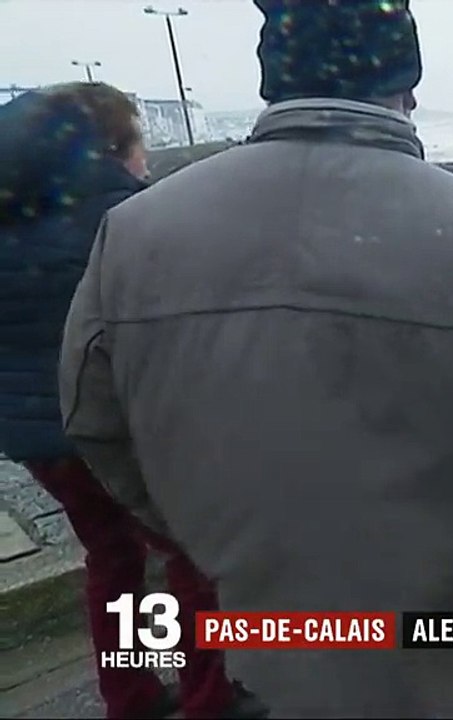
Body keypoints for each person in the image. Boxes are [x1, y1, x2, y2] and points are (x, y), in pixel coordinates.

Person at [58, 1, 453, 717]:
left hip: (249, 610)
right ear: (403, 87)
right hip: (432, 621)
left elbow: (93, 417)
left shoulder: (134, 228)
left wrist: (197, 528)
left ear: (270, 81)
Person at [0, 83, 261, 719]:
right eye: (141, 145)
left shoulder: (11, 219)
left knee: (112, 557)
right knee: (194, 558)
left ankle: (131, 694)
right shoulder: (130, 219)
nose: (146, 163)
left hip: (39, 440)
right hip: (121, 429)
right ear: (113, 150)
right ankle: (209, 700)